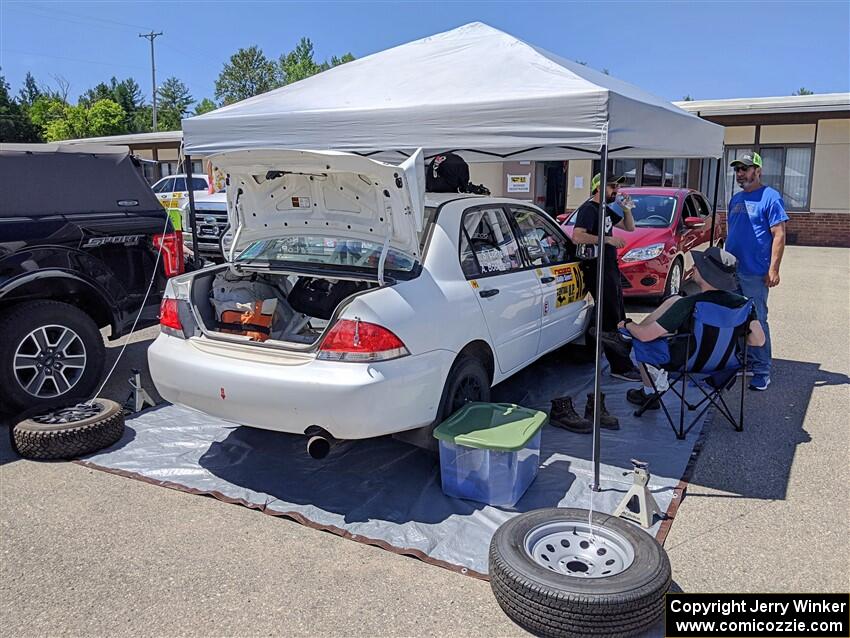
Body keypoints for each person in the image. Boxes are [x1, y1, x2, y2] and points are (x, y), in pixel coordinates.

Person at [618, 246, 765, 408]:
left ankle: (649, 393)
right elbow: (758, 341)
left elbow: (646, 335)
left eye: (698, 265)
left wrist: (628, 324)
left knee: (641, 340)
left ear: (706, 273)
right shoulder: (744, 304)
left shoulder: (690, 304)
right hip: (726, 366)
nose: (694, 267)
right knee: (671, 304)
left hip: (685, 362)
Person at [725, 152, 788, 391]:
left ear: (757, 170)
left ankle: (762, 370)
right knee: (736, 318)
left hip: (755, 272)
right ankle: (745, 362)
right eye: (738, 169)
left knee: (757, 320)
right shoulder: (736, 199)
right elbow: (732, 231)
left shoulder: (771, 197)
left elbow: (779, 234)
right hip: (731, 270)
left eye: (745, 168)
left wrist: (774, 268)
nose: (740, 173)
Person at [572, 173, 641, 382]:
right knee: (611, 317)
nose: (616, 190)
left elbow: (630, 227)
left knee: (616, 313)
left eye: (617, 186)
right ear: (598, 187)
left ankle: (602, 355)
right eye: (612, 186)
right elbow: (577, 236)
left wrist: (627, 209)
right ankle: (620, 366)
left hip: (610, 267)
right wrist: (607, 240)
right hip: (596, 268)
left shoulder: (605, 210)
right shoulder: (588, 209)